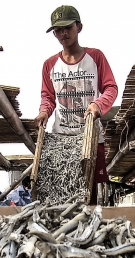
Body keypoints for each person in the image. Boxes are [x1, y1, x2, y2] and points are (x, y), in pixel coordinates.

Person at [34, 5, 118, 203]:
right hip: (61, 139)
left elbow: (111, 88)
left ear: (79, 27)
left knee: (89, 194)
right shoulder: (50, 65)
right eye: (58, 30)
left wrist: (99, 105)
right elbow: (48, 96)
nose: (63, 33)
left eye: (68, 27)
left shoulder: (95, 57)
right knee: (59, 193)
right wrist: (44, 112)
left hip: (90, 136)